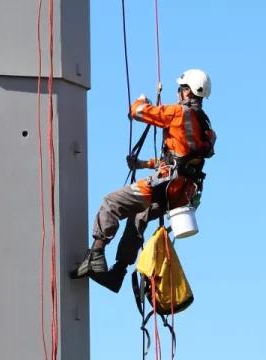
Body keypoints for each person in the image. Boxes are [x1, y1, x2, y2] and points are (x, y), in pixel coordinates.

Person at [71, 69, 216, 292]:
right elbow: (180, 158)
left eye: (180, 89)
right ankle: (118, 272)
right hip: (180, 193)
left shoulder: (178, 113)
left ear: (187, 92)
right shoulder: (203, 125)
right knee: (138, 216)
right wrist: (142, 164)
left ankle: (97, 255)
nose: (178, 93)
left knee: (112, 202)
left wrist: (142, 100)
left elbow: (137, 112)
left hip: (164, 185)